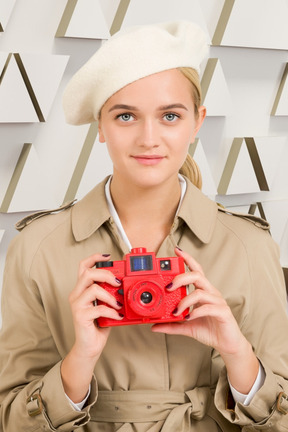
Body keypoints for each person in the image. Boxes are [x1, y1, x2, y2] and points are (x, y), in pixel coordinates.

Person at [0, 20, 288, 432]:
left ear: (197, 122)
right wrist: (80, 359)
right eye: (126, 116)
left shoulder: (249, 245)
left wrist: (236, 351)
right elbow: (9, 418)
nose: (149, 138)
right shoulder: (37, 248)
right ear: (100, 126)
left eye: (170, 115)